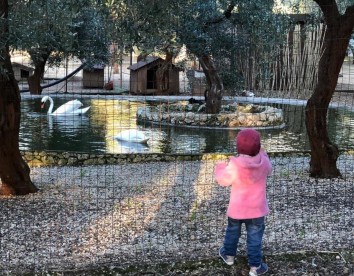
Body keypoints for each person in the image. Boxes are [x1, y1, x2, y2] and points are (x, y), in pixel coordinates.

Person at [215, 128, 272, 276]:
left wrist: (220, 167)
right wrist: (263, 153)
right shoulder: (263, 162)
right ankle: (255, 267)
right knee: (255, 237)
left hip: (237, 210)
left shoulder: (235, 164)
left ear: (238, 147)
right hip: (257, 210)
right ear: (258, 147)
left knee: (232, 232)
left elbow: (223, 180)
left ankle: (229, 256)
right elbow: (269, 169)